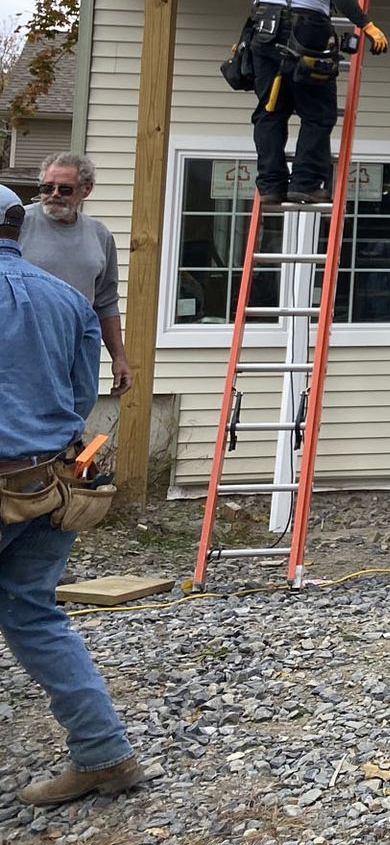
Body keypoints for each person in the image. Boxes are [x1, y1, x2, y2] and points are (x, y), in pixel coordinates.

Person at [0, 183, 145, 806]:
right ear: (18, 226)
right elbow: (81, 396)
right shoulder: (65, 299)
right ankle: (105, 754)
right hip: (50, 483)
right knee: (35, 615)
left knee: (34, 615)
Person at [249, 0, 389, 207]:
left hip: (264, 29)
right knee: (318, 112)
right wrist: (365, 25)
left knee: (271, 110)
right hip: (305, 30)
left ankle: (271, 186)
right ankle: (305, 184)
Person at [20, 153, 130, 396]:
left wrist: (119, 358)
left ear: (86, 190)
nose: (54, 194)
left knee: (77, 409)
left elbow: (106, 303)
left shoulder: (100, 235)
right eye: (47, 188)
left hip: (78, 348)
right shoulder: (17, 223)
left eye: (65, 189)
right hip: (25, 347)